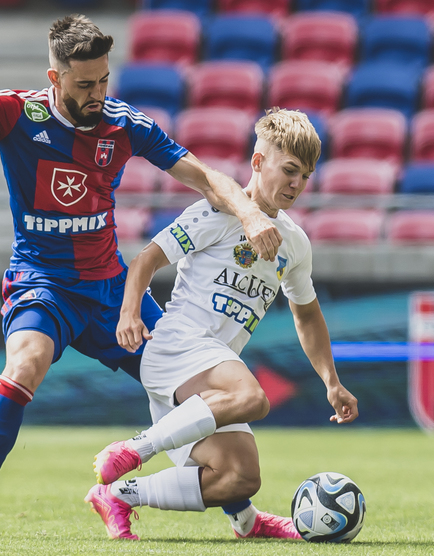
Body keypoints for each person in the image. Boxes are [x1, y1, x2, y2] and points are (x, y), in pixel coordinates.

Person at [0, 15, 285, 538]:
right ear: (55, 77)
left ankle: (243, 518)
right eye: (85, 84)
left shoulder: (124, 124)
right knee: (25, 365)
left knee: (199, 395)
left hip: (113, 294)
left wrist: (248, 214)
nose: (98, 94)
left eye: (104, 79)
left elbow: (203, 177)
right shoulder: (16, 112)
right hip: (43, 284)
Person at [84, 108, 360, 541]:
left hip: (211, 379)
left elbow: (306, 314)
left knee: (240, 477)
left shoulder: (295, 243)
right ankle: (135, 448)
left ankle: (121, 496)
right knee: (253, 397)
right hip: (178, 347)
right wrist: (129, 313)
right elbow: (145, 261)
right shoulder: (215, 214)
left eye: (305, 176)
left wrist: (331, 381)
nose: (296, 184)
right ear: (258, 162)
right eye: (289, 170)